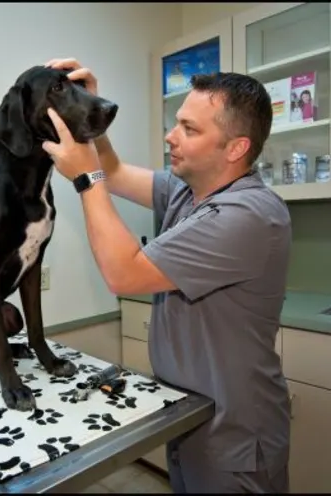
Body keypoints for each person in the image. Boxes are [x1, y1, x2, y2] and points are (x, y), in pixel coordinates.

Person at [42, 58, 292, 493]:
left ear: (235, 148)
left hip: (235, 433)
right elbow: (116, 174)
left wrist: (85, 177)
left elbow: (124, 274)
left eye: (190, 129)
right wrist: (92, 109)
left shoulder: (246, 215)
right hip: (190, 416)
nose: (170, 136)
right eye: (177, 123)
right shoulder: (188, 190)